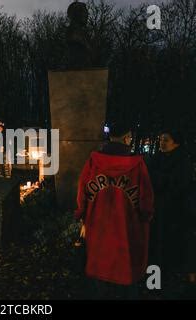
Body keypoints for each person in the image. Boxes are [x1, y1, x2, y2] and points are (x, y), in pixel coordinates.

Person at [75, 122, 154, 299]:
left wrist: (82, 214)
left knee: (99, 274)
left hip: (99, 227)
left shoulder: (94, 161)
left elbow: (82, 191)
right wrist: (146, 216)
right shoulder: (138, 164)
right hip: (127, 229)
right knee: (126, 274)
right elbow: (146, 199)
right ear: (127, 138)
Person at [147, 129, 196, 298]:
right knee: (158, 246)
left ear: (176, 142)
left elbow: (178, 184)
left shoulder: (183, 160)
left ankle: (189, 283)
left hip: (178, 213)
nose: (162, 142)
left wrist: (155, 177)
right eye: (161, 139)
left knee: (181, 246)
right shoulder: (158, 157)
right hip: (161, 211)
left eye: (166, 140)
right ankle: (155, 282)